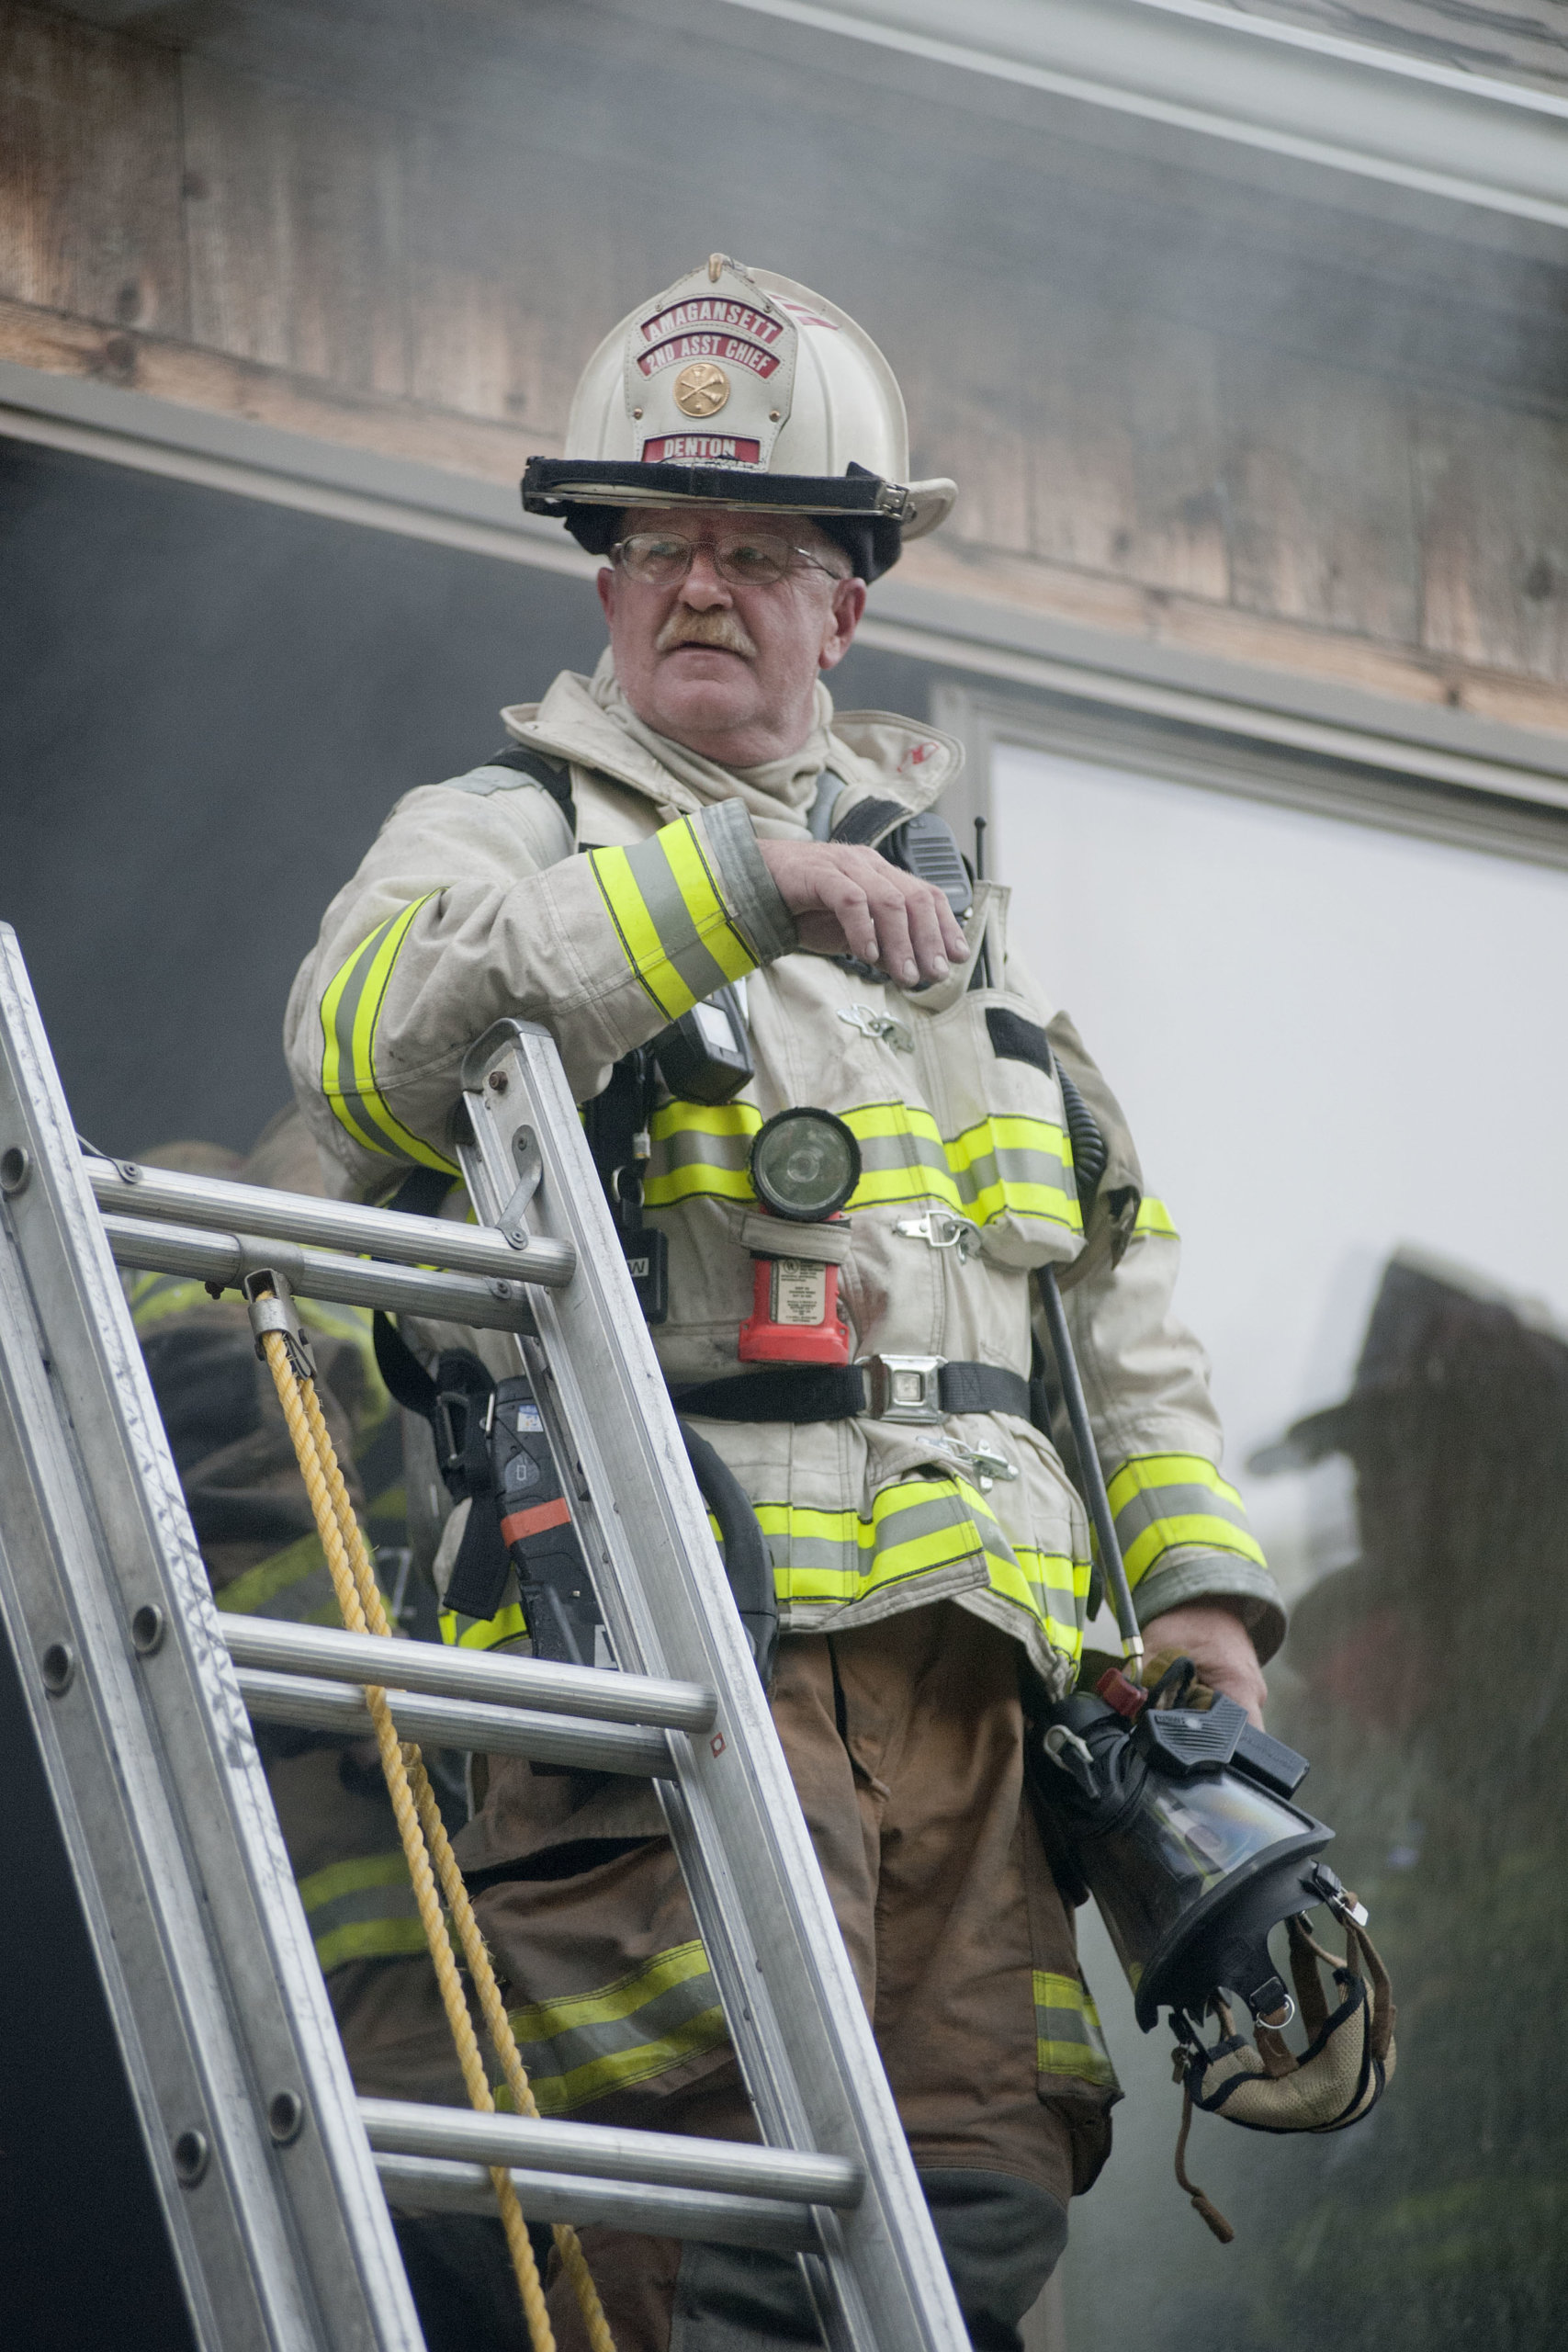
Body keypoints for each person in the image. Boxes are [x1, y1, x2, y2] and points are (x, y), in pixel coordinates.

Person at [286, 256, 1283, 2352]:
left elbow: (1112, 1292)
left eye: (753, 547)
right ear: (601, 584)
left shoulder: (960, 923)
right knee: (713, 2246)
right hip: (667, 1683)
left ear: (852, 597)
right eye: (654, 545)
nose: (699, 586)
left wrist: (1198, 1601)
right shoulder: (500, 835)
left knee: (969, 2244)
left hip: (973, 1723)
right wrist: (736, 883)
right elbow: (365, 1049)